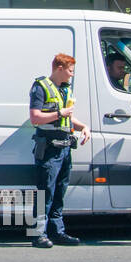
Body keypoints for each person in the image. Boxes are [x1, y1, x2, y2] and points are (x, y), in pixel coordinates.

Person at [28, 53, 90, 248]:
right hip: (49, 148)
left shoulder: (65, 90)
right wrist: (58, 113)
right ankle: (38, 235)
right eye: (70, 71)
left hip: (64, 149)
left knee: (59, 193)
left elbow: (68, 119)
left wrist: (83, 127)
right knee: (45, 192)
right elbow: (35, 118)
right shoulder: (41, 87)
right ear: (59, 68)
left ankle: (57, 231)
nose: (72, 75)